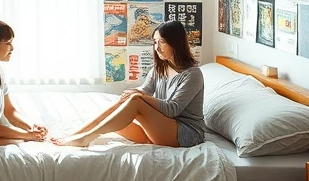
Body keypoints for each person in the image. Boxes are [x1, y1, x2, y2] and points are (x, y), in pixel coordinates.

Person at [52, 20, 204, 148]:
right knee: (126, 100)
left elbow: (172, 109)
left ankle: (86, 138)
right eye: (155, 42)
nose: (157, 48)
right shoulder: (160, 68)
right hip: (161, 129)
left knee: (136, 101)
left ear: (176, 44)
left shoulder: (193, 74)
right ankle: (78, 133)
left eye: (162, 42)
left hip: (186, 134)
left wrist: (138, 96)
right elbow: (145, 90)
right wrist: (132, 93)